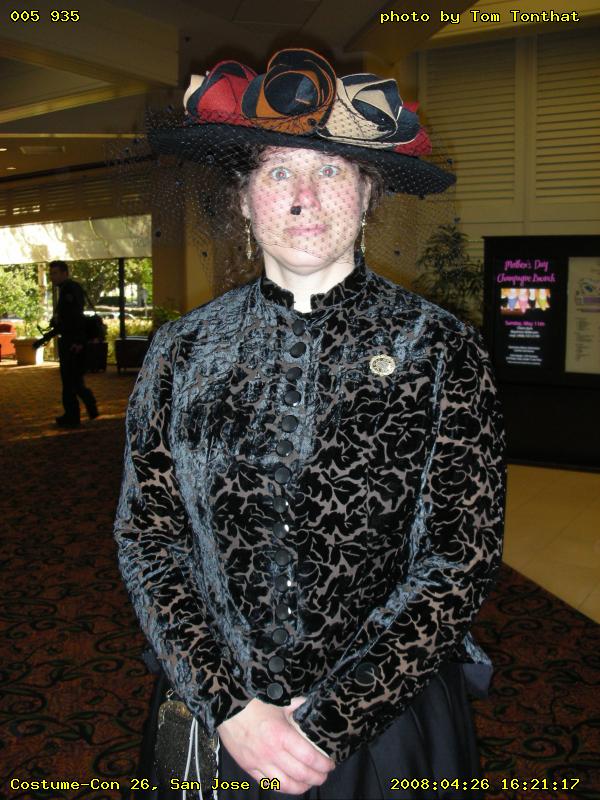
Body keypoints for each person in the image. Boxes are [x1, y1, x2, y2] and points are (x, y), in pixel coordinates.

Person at [114, 49, 505, 800]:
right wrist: (230, 706)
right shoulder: (182, 351)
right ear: (242, 200)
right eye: (276, 172)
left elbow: (460, 556)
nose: (303, 197)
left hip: (386, 724)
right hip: (219, 715)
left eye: (330, 171)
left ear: (367, 194)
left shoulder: (440, 348)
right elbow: (149, 538)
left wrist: (330, 723)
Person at [47, 260, 99, 427]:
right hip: (72, 340)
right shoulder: (67, 289)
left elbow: (75, 317)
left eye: (55, 273)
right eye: (51, 273)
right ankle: (77, 412)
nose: (52, 277)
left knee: (71, 380)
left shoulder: (70, 289)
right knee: (73, 380)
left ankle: (76, 413)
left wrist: (77, 341)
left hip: (72, 341)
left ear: (65, 273)